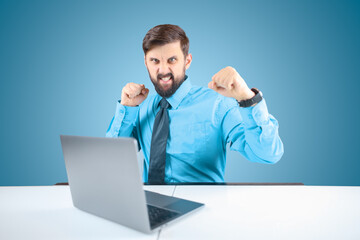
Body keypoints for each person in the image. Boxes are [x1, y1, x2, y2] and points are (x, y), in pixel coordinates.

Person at [106, 24, 284, 183]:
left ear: (187, 61)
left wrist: (247, 98)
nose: (163, 70)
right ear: (146, 62)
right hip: (149, 207)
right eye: (155, 61)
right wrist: (127, 107)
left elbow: (268, 154)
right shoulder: (141, 107)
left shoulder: (218, 105)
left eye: (172, 60)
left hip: (203, 210)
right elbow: (111, 160)